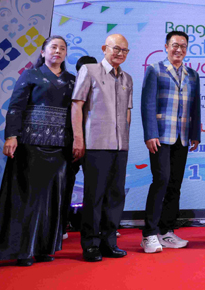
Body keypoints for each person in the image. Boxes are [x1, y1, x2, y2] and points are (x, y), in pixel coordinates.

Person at [0, 35, 76, 266]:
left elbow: (78, 114)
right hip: (31, 144)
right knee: (27, 197)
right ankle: (24, 250)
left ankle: (45, 248)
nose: (58, 51)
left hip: (61, 147)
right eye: (53, 47)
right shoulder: (30, 74)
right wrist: (11, 136)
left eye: (62, 48)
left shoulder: (72, 80)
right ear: (43, 52)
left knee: (54, 198)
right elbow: (16, 107)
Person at [71, 34, 133, 262]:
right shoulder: (89, 70)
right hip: (95, 145)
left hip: (120, 146)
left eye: (124, 50)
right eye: (116, 48)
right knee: (94, 196)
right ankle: (90, 244)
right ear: (104, 48)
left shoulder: (127, 78)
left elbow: (127, 112)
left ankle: (109, 242)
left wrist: (125, 138)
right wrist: (78, 139)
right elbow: (77, 106)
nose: (120, 53)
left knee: (115, 196)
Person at [140, 31, 201, 253]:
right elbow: (147, 104)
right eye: (175, 45)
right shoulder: (155, 70)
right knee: (161, 180)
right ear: (166, 46)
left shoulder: (192, 75)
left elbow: (195, 106)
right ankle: (149, 234)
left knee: (175, 184)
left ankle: (166, 231)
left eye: (183, 46)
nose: (179, 49)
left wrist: (195, 134)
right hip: (160, 136)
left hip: (182, 137)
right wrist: (150, 134)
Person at [61, 55, 97, 240]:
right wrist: (76, 140)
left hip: (95, 144)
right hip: (72, 143)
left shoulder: (100, 88)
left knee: (96, 187)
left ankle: (95, 227)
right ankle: (61, 226)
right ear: (78, 71)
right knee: (66, 184)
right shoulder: (70, 87)